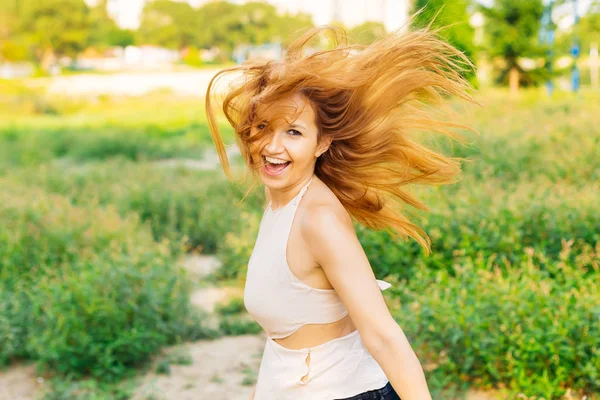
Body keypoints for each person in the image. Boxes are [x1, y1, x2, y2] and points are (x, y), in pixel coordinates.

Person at [206, 25, 475, 400]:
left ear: (322, 143)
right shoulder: (281, 197)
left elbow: (382, 334)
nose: (272, 146)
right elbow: (285, 341)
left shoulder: (319, 219)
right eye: (263, 126)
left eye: (294, 133)